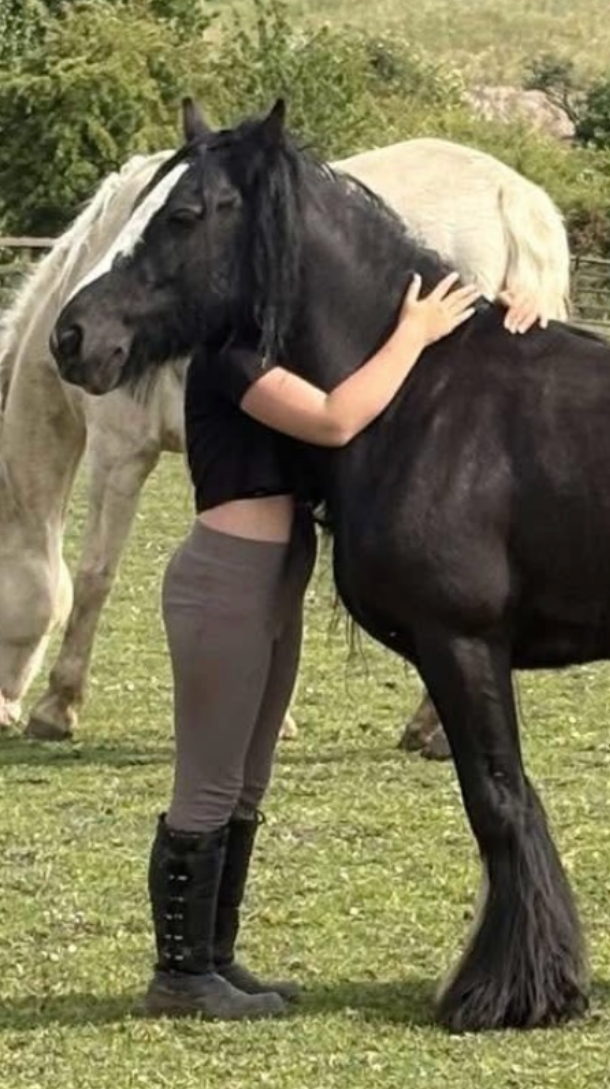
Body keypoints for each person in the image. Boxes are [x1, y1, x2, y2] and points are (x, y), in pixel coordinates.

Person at [147, 274, 545, 1019]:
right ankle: (179, 976)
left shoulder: (277, 350)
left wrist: (505, 306)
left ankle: (214, 959)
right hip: (225, 582)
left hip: (272, 582)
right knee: (207, 781)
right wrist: (415, 330)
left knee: (246, 780)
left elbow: (379, 389)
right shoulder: (229, 355)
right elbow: (336, 419)